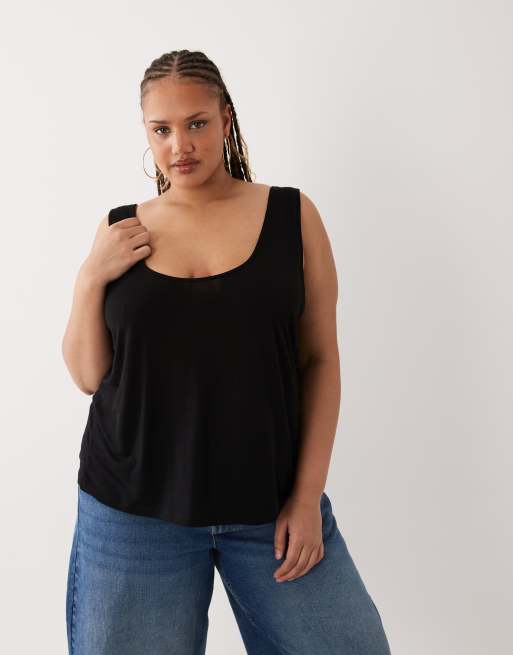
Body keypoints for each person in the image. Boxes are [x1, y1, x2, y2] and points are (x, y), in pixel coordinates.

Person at [61, 49, 391, 655]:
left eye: (197, 123)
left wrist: (306, 497)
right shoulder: (121, 229)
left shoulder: (292, 216)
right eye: (161, 129)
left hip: (268, 507)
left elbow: (320, 360)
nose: (179, 145)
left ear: (226, 119)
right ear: (146, 133)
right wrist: (89, 279)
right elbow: (88, 376)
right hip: (134, 510)